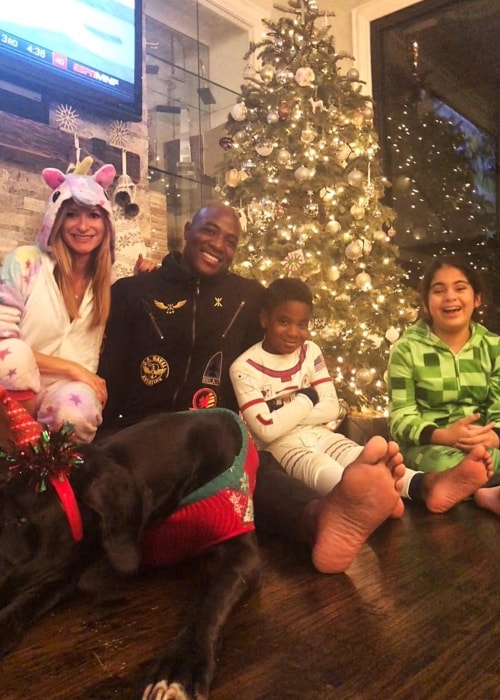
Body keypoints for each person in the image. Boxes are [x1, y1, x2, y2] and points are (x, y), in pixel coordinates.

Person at [97, 205, 491, 574]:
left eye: (230, 240)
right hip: (146, 430)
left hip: (214, 434)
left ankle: (325, 520)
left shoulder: (248, 297)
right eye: (209, 231)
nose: (218, 244)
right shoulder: (134, 292)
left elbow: (283, 334)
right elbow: (109, 373)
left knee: (262, 472)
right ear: (187, 232)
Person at [0, 165, 117, 442]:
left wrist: (150, 272)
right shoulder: (24, 261)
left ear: (106, 223)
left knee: (78, 413)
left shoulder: (106, 284)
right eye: (71, 215)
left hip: (68, 392)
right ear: (56, 219)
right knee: (12, 355)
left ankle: (58, 473)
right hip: (15, 383)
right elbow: (3, 341)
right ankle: (24, 455)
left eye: (94, 215)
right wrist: (72, 368)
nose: (83, 226)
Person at [388, 254, 500, 517]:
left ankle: (484, 491)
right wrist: (445, 436)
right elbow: (400, 419)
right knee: (455, 466)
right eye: (439, 290)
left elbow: (498, 408)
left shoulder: (494, 347)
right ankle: (479, 488)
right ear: (427, 303)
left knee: (481, 462)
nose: (450, 297)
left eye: (460, 288)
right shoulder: (406, 349)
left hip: (484, 446)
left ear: (477, 298)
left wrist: (493, 436)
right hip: (429, 448)